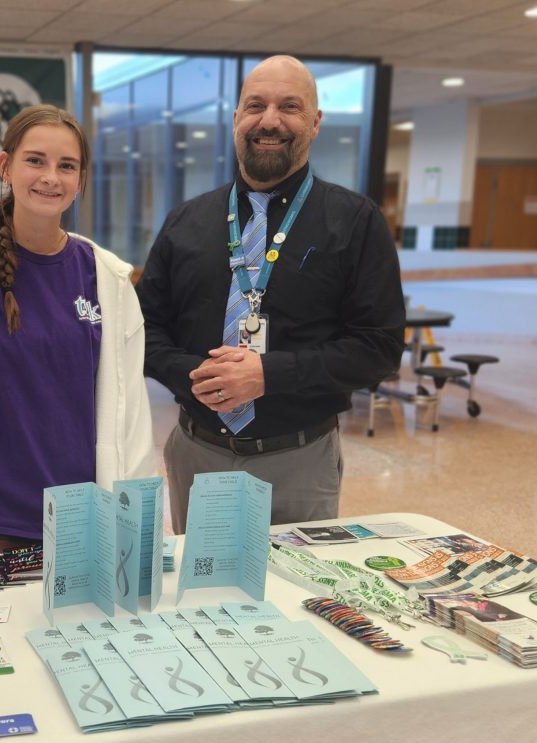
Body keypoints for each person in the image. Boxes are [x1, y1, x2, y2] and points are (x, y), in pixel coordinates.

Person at [137, 55, 406, 532]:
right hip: (197, 456)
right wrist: (196, 373)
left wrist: (268, 374)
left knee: (296, 602)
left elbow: (378, 350)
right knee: (200, 602)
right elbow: (143, 330)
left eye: (290, 107)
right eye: (255, 105)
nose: (270, 121)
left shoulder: (356, 221)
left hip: (299, 460)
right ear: (236, 117)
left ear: (315, 123)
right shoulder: (186, 220)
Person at [0, 105, 155, 561]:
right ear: (6, 166)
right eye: (35, 160)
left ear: (80, 180)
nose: (50, 178)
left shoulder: (108, 280)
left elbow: (130, 416)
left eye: (67, 166)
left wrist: (129, 522)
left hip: (81, 519)